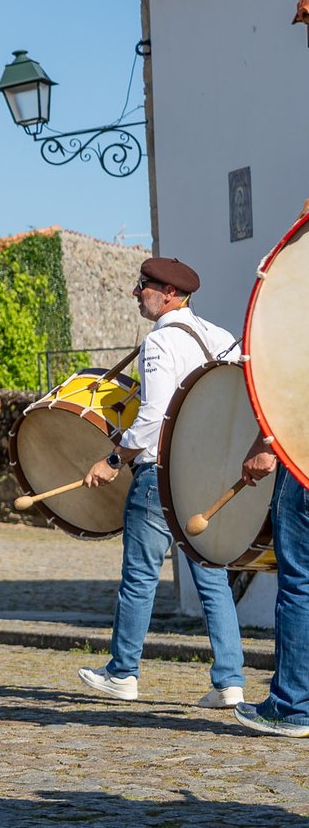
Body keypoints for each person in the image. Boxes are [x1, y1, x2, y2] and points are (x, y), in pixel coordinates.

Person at [77, 256, 247, 706]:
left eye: (143, 286)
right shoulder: (222, 338)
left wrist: (114, 458)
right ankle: (230, 682)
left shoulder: (159, 343)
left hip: (160, 473)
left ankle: (122, 674)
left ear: (169, 294)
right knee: (212, 577)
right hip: (209, 474)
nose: (136, 293)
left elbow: (153, 417)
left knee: (139, 577)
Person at [233, 433, 309, 736]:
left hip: (303, 459)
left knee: (301, 582)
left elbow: (293, 389)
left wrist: (266, 442)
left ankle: (292, 707)